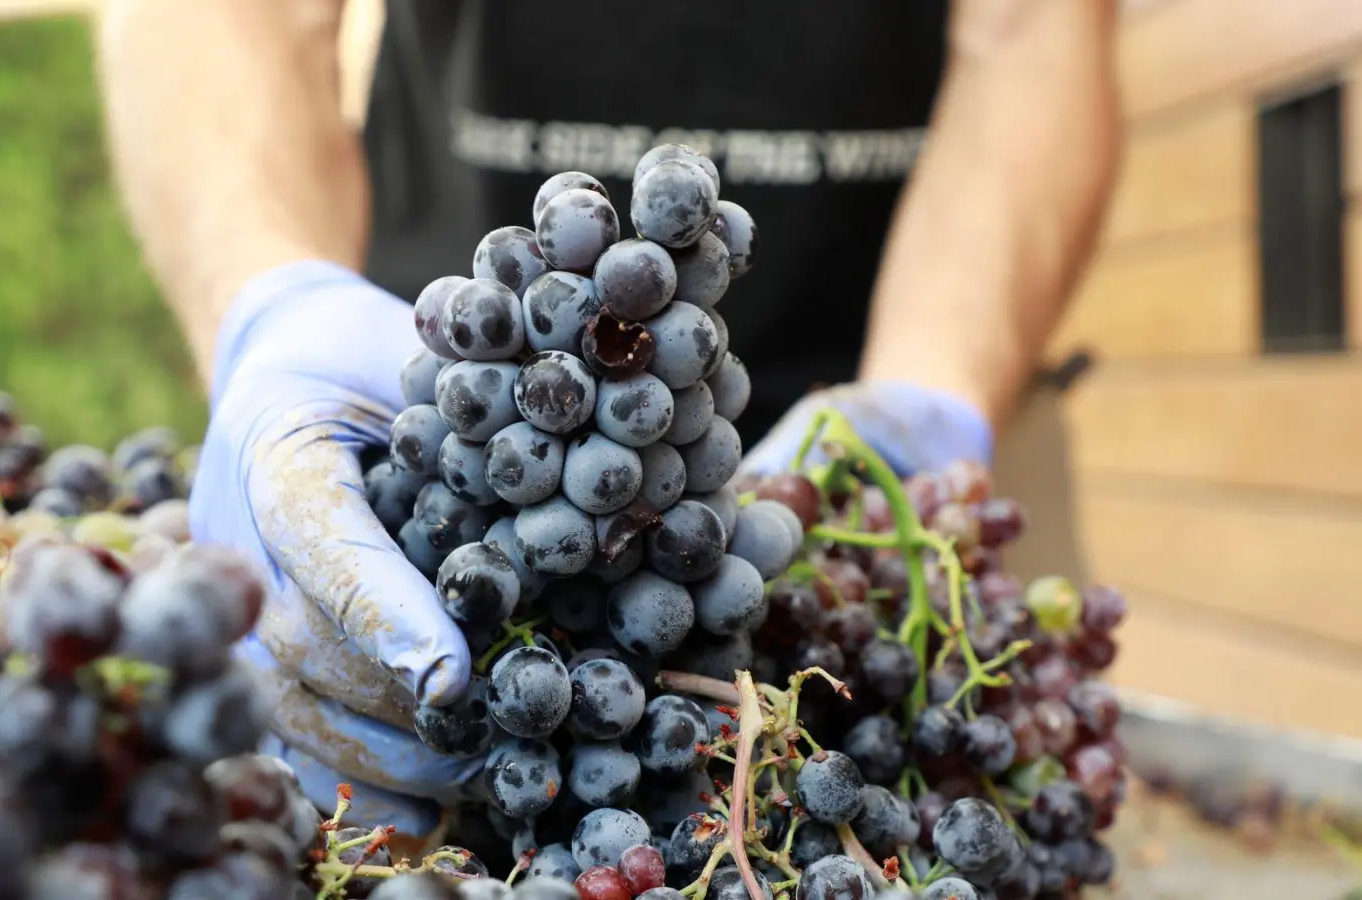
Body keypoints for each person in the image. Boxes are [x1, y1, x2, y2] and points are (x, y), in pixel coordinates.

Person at [98, 0, 1121, 837]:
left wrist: (937, 384)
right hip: (464, 441)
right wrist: (274, 298)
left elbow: (1032, 36)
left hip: (889, 467)